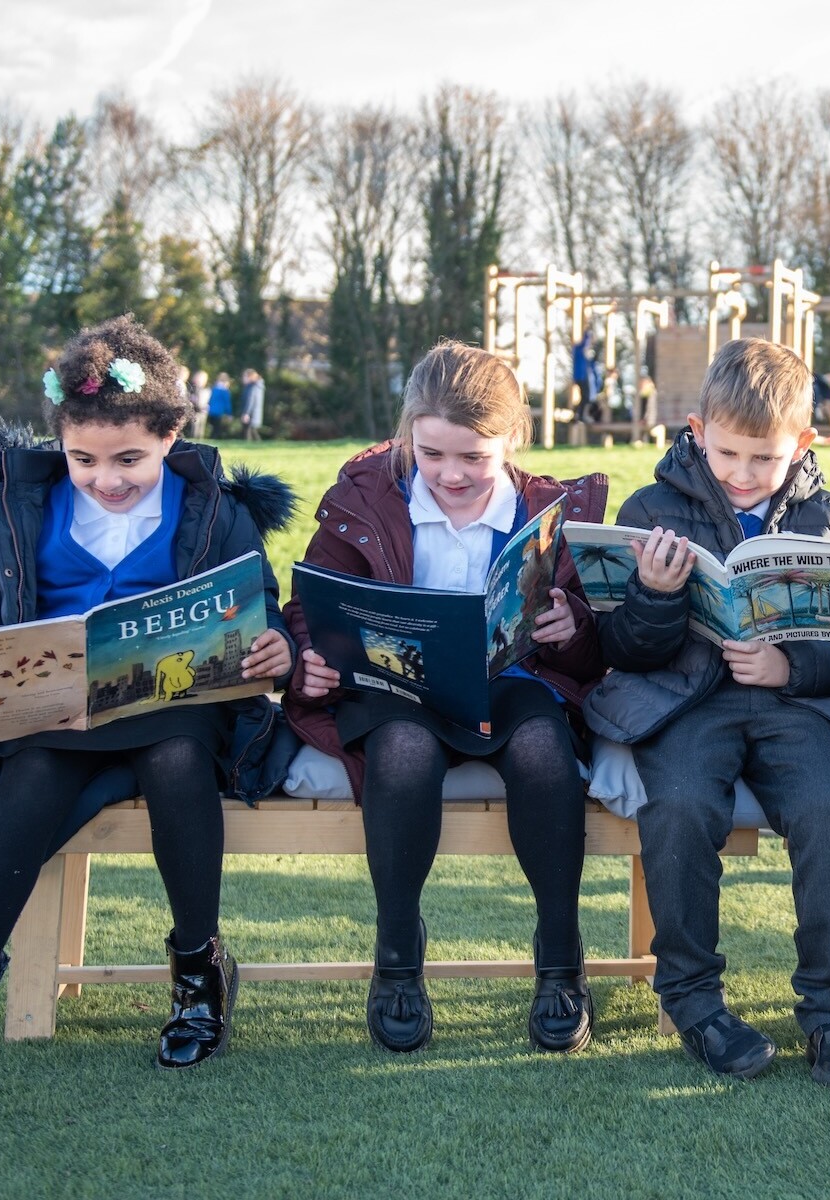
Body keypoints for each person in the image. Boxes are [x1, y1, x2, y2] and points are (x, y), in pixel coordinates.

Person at [0, 315, 297, 1069]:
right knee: (39, 768)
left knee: (175, 760)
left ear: (171, 436)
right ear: (60, 445)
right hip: (53, 721)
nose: (106, 478)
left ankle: (198, 974)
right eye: (83, 459)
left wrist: (277, 645)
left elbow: (262, 612)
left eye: (129, 459)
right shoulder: (24, 510)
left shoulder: (219, 512)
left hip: (180, 716)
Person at [284, 340, 608, 1055]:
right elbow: (309, 602)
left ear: (513, 441)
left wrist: (568, 625)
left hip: (512, 684)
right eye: (432, 455)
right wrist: (309, 660)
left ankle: (561, 952)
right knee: (401, 751)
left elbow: (593, 646)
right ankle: (398, 948)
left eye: (473, 458)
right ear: (408, 436)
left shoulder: (547, 511)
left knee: (543, 750)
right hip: (395, 687)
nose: (451, 475)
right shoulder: (366, 497)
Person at [585, 338, 830, 1091]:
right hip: (687, 701)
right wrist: (655, 598)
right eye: (727, 454)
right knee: (682, 806)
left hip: (796, 707)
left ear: (804, 444)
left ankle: (829, 1011)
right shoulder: (651, 509)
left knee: (829, 811)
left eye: (765, 458)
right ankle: (694, 1001)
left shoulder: (829, 517)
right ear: (696, 431)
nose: (744, 475)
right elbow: (617, 646)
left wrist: (794, 666)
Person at [239, 368, 265, 442]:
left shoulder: (253, 387)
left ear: (250, 377)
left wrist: (246, 413)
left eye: (244, 377)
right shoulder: (257, 386)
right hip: (253, 413)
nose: (243, 379)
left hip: (252, 413)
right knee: (252, 431)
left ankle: (251, 446)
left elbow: (250, 401)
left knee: (250, 431)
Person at [207, 371, 234, 437]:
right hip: (219, 412)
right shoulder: (224, 391)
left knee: (213, 427)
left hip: (211, 411)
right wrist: (229, 413)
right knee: (217, 429)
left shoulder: (213, 389)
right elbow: (227, 403)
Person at [186, 369, 210, 439]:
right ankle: (193, 439)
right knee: (194, 427)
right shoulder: (192, 388)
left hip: (203, 410)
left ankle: (199, 439)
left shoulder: (206, 388)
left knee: (201, 427)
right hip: (194, 410)